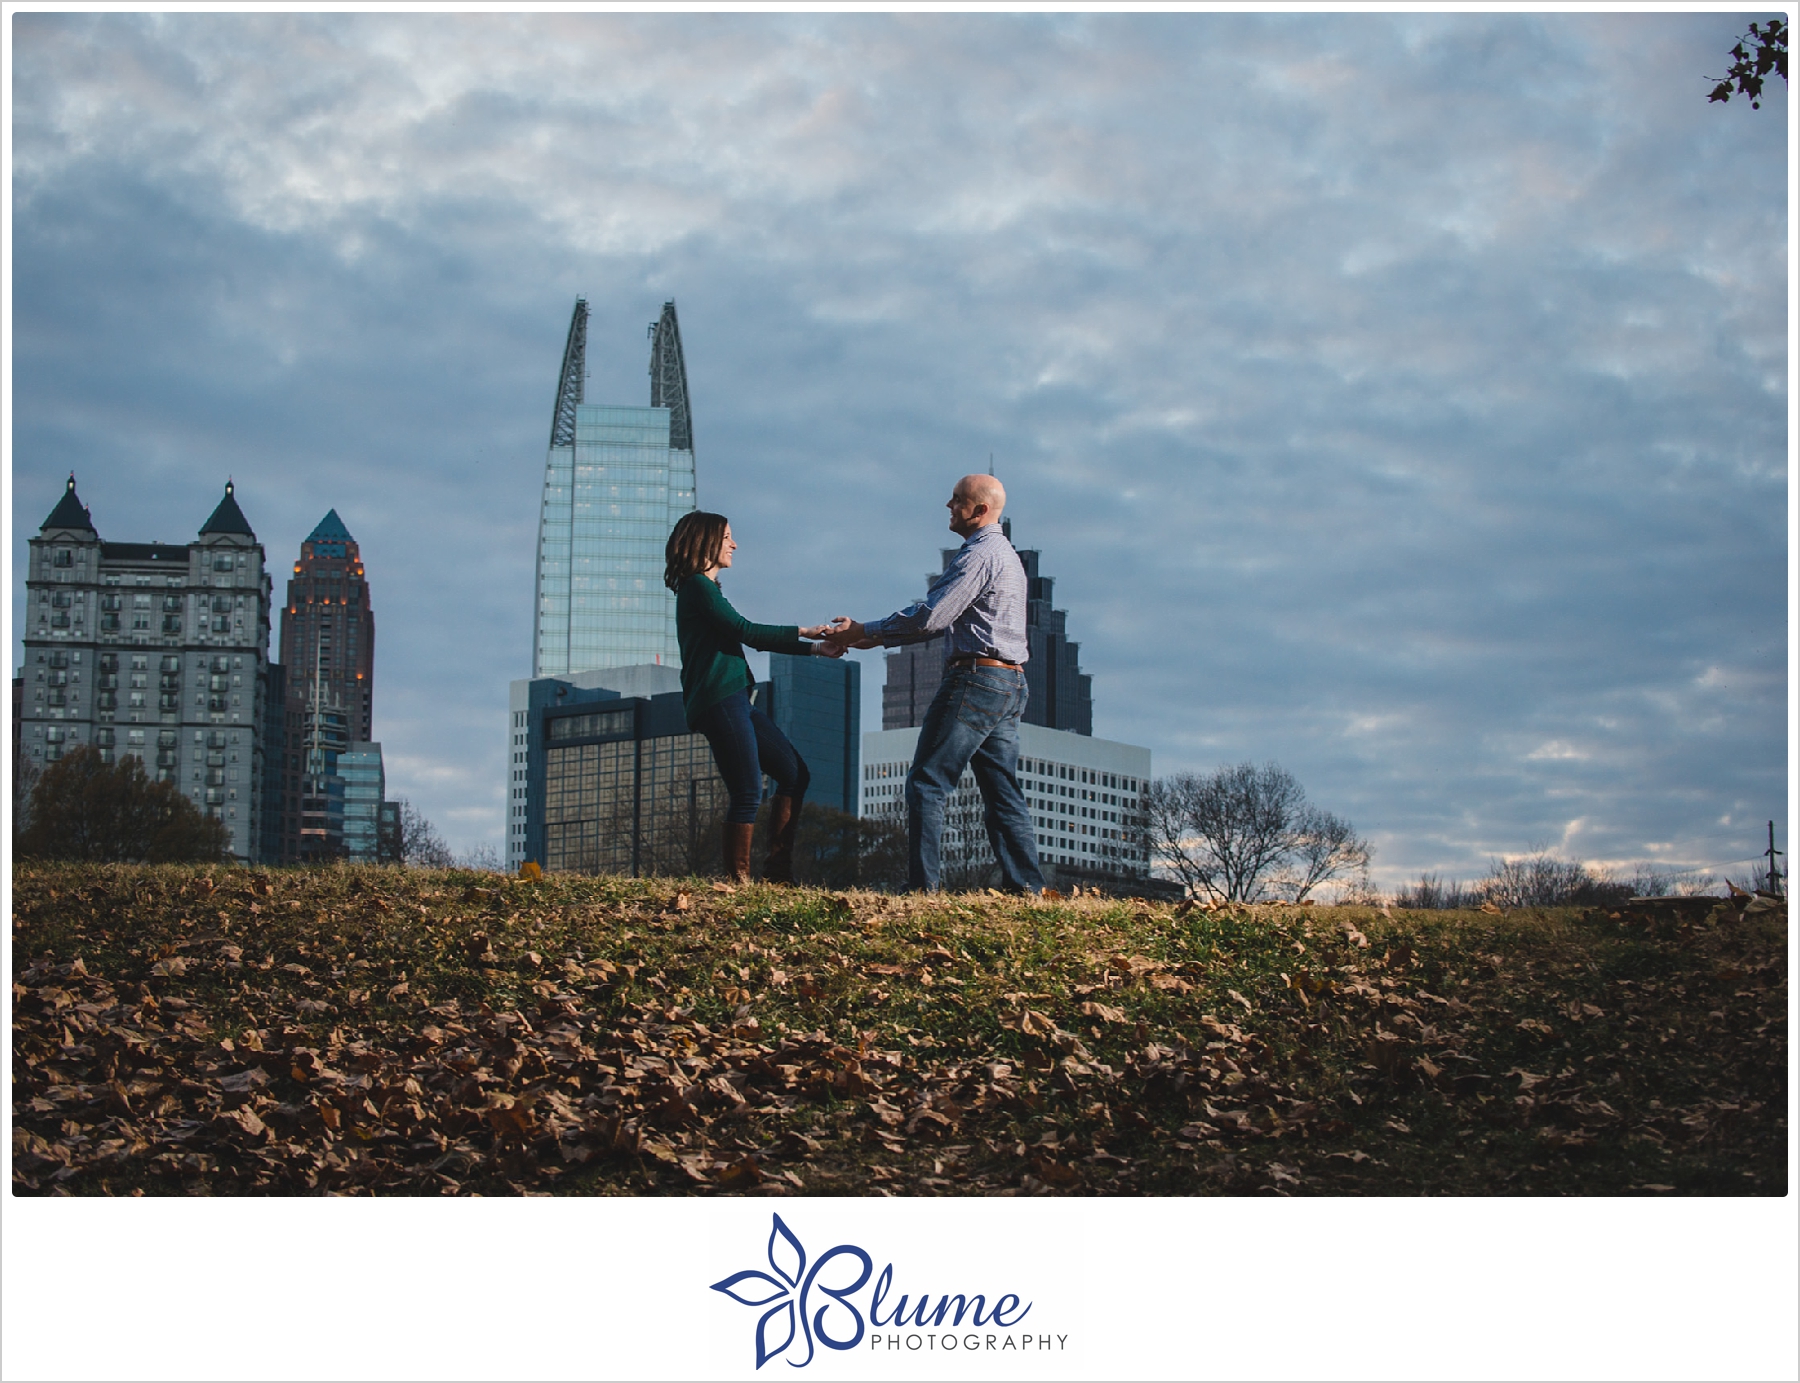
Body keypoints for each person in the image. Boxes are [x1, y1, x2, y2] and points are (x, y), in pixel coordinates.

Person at [822, 475, 1045, 894]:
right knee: (1003, 793)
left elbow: (931, 616)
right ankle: (1028, 889)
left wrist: (862, 631)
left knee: (927, 781)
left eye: (958, 500)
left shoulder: (979, 556)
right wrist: (867, 639)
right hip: (1011, 681)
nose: (948, 504)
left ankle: (922, 889)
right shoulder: (1006, 555)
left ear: (980, 511)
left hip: (976, 679)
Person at [665, 512, 841, 884]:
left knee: (795, 774)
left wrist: (816, 651)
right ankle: (739, 882)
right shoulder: (696, 586)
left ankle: (777, 874)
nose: (734, 544)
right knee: (746, 790)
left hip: (735, 700)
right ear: (705, 542)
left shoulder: (707, 589)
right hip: (719, 699)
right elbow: (745, 631)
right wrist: (807, 633)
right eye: (727, 537)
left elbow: (743, 635)